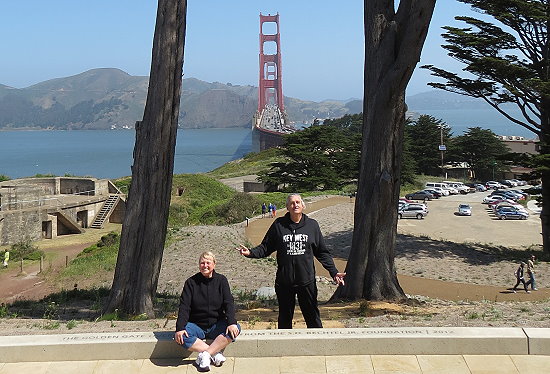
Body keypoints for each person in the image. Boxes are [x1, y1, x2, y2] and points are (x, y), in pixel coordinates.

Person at [237, 193, 346, 329]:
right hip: (284, 282)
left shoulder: (312, 225)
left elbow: (322, 252)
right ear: (287, 207)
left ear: (303, 205)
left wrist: (334, 272)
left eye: (298, 202)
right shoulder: (278, 225)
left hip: (306, 281)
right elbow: (266, 247)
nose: (295, 205)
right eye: (292, 203)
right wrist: (250, 252)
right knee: (284, 318)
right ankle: (283, 348)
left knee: (312, 316)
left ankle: (318, 345)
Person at [174, 251, 241, 371]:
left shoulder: (221, 280)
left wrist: (231, 322)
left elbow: (228, 303)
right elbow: (184, 307)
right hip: (197, 326)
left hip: (217, 325)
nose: (205, 266)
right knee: (181, 336)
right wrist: (180, 328)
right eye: (202, 263)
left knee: (236, 328)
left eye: (208, 263)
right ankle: (214, 354)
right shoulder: (191, 283)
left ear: (214, 264)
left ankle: (205, 355)